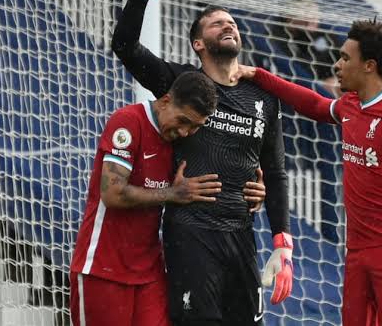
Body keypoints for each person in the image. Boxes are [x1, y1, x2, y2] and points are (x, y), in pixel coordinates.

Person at [111, 0, 292, 325]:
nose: (228, 26)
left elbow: (275, 171)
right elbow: (125, 45)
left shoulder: (264, 97)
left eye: (231, 22)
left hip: (242, 234)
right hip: (191, 233)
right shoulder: (181, 84)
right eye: (216, 24)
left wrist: (282, 240)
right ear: (198, 44)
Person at [233, 19, 382, 326]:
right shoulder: (350, 105)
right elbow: (314, 104)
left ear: (369, 66)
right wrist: (259, 75)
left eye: (344, 58)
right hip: (356, 249)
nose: (337, 65)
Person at [70, 71, 266, 325]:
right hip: (103, 269)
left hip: (149, 272)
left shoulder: (178, 140)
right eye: (184, 121)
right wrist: (172, 194)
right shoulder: (128, 122)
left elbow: (215, 169)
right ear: (165, 101)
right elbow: (112, 193)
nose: (186, 132)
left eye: (195, 126)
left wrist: (252, 188)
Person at [250, 0, 341, 96]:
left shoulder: (324, 33)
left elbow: (342, 57)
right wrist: (322, 85)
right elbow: (292, 73)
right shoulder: (275, 39)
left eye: (315, 18)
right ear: (289, 18)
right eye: (306, 20)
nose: (312, 24)